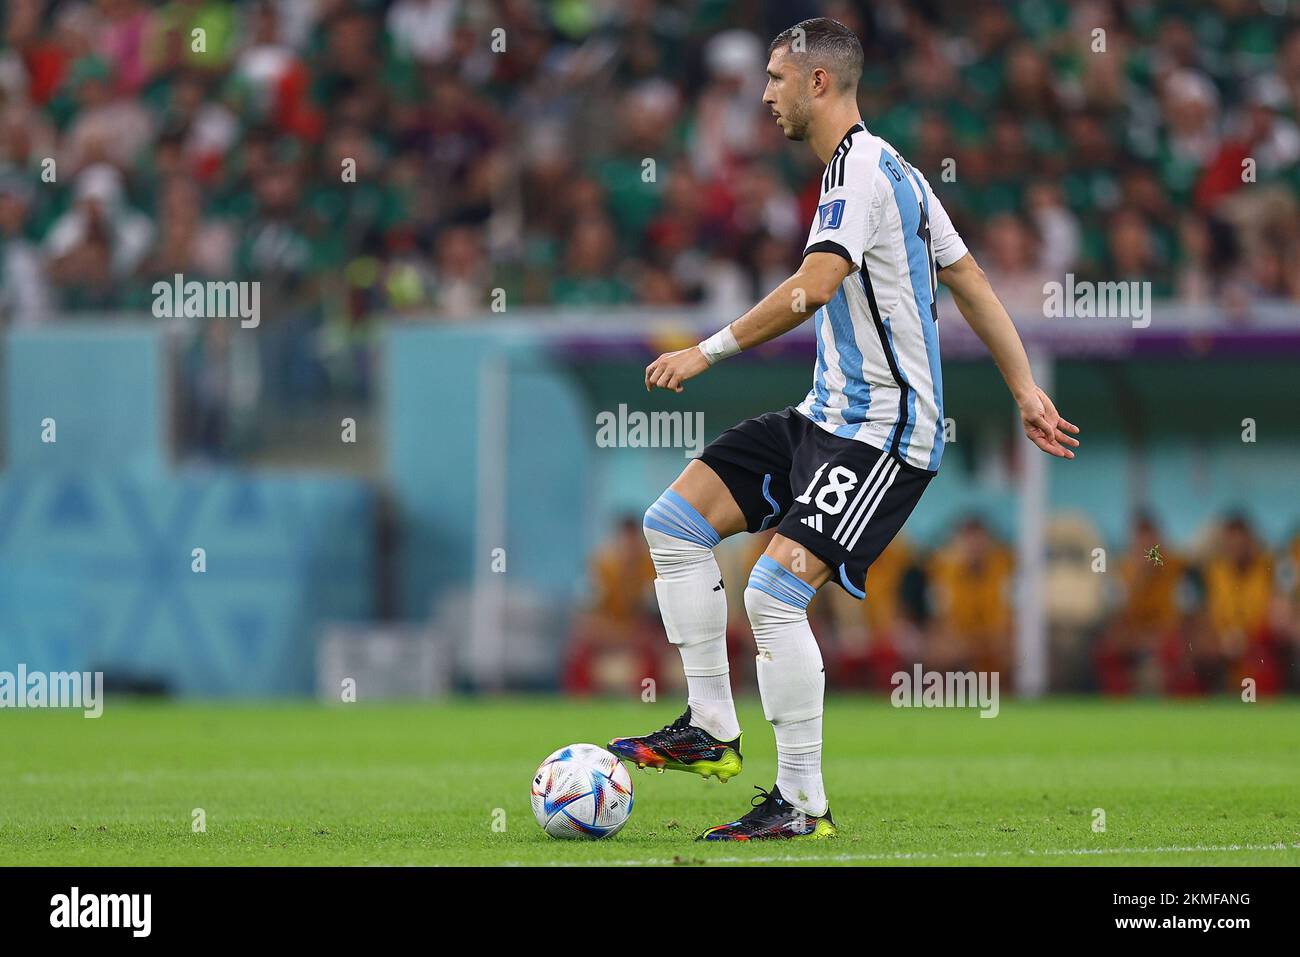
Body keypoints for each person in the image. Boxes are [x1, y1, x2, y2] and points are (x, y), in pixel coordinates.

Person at [607, 18, 1079, 841]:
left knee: (772, 593)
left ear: (819, 83)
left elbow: (813, 286)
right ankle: (712, 728)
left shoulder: (861, 173)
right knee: (675, 523)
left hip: (884, 433)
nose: (765, 95)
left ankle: (801, 803)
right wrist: (1025, 386)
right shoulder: (886, 170)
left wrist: (706, 352)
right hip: (822, 417)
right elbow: (967, 278)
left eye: (776, 79)